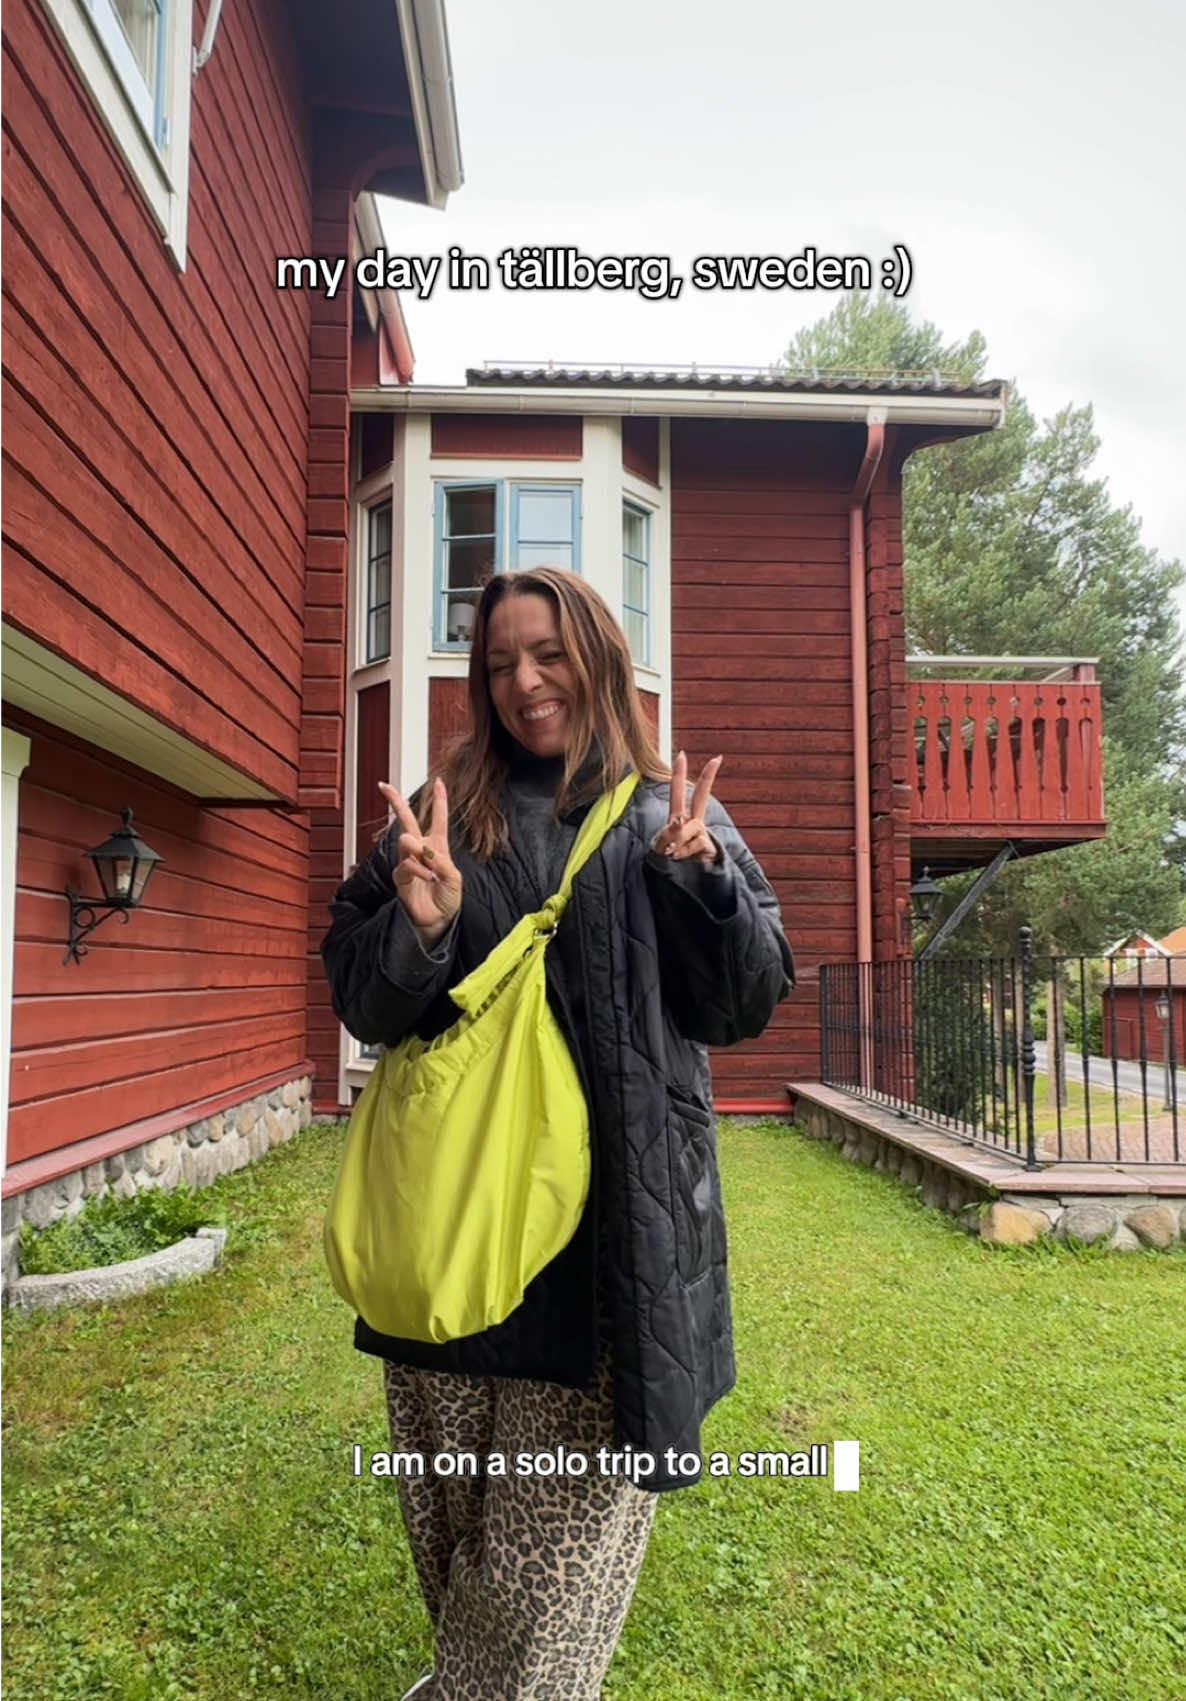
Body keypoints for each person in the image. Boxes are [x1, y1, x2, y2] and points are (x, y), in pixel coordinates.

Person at [321, 566, 794, 1701]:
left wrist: (702, 884)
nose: (524, 681)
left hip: (606, 1261)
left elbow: (744, 1003)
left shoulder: (667, 813)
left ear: (599, 656)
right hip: (453, 1240)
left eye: (546, 653)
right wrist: (420, 929)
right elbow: (363, 1000)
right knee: (459, 1556)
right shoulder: (445, 815)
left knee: (540, 1595)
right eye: (498, 663)